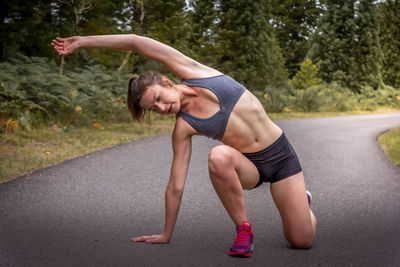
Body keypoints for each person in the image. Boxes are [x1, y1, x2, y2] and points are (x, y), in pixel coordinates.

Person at [51, 34, 317, 257]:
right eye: (154, 109)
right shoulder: (184, 127)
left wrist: (83, 41)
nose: (162, 107)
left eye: (158, 98)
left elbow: (135, 42)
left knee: (301, 240)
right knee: (218, 156)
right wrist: (166, 234)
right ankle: (244, 229)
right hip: (249, 167)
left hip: (281, 157)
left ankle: (302, 204)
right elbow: (176, 185)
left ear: (167, 82)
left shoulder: (194, 71)